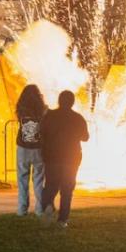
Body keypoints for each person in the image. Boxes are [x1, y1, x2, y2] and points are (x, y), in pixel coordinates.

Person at [39, 90, 89, 228]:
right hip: (71, 158)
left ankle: (47, 207)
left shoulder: (49, 116)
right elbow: (85, 137)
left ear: (59, 101)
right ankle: (62, 220)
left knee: (50, 185)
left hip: (52, 157)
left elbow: (41, 133)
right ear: (72, 102)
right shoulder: (77, 118)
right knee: (67, 189)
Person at [15, 85, 47, 216]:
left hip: (23, 147)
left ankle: (22, 210)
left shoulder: (20, 109)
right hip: (39, 148)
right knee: (39, 179)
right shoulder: (43, 109)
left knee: (22, 179)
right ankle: (40, 209)